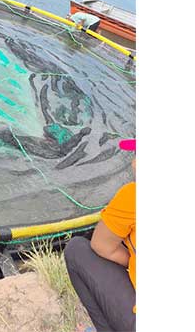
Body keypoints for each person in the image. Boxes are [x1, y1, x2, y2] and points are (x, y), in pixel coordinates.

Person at [64, 139, 136, 332]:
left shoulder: (133, 196)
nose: (133, 163)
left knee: (77, 249)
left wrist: (132, 260)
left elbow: (102, 246)